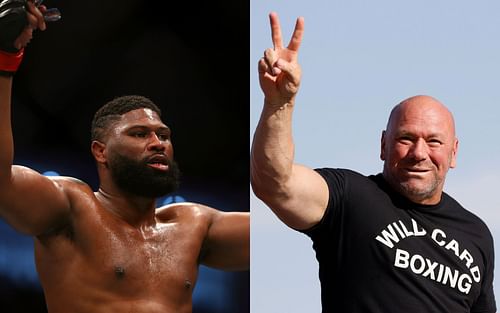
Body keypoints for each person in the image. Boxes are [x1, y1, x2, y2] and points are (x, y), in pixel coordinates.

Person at [0, 2, 249, 313]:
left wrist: (281, 104)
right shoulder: (72, 208)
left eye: (164, 135)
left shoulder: (195, 225)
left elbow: (291, 218)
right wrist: (6, 58)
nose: (158, 143)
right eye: (139, 134)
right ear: (100, 151)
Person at [251, 12, 495, 313]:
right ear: (383, 145)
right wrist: (279, 104)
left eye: (434, 141)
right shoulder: (350, 198)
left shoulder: (476, 234)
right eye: (406, 138)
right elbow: (275, 184)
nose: (419, 152)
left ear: (453, 152)